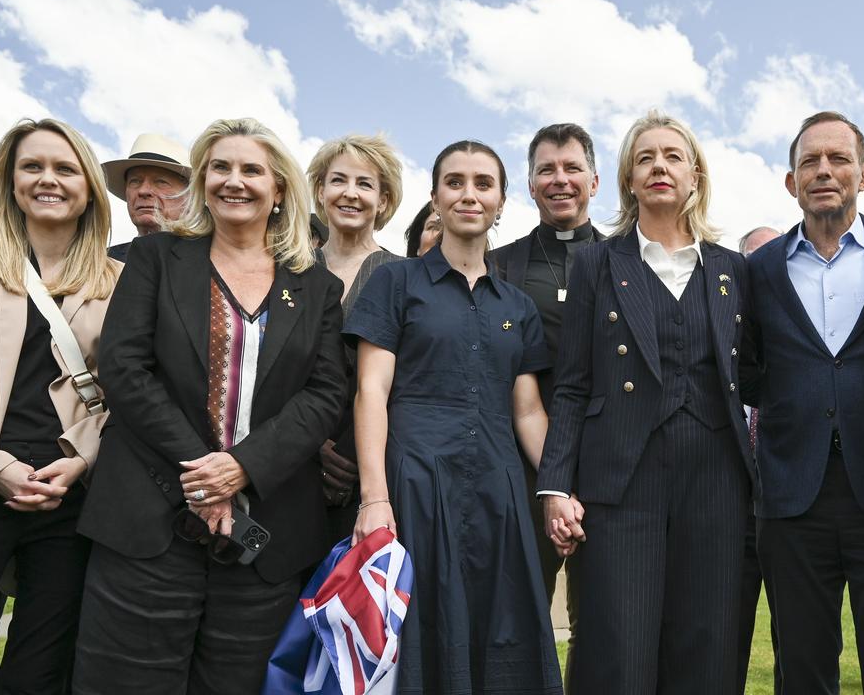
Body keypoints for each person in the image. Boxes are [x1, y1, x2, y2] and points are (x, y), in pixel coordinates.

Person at [72, 117, 348, 694]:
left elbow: (325, 393)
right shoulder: (155, 258)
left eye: (251, 169)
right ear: (202, 181)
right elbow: (124, 369)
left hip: (264, 537)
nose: (234, 180)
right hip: (149, 521)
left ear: (279, 190)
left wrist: (245, 466)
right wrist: (207, 473)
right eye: (220, 167)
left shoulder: (317, 286)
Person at [537, 111, 755, 695]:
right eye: (644, 158)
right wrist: (556, 482)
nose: (659, 166)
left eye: (673, 156)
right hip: (619, 479)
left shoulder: (733, 270)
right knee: (617, 645)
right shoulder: (597, 263)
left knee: (708, 642)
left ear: (696, 175)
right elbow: (573, 382)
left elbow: (754, 376)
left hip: (716, 479)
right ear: (629, 180)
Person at [348, 140, 563, 694]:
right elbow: (371, 391)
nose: (469, 194)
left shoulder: (517, 306)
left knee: (501, 643)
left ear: (501, 200)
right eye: (455, 182)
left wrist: (560, 487)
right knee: (415, 641)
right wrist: (376, 500)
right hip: (415, 485)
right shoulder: (394, 283)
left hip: (499, 491)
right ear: (435, 197)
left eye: (483, 184)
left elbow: (529, 411)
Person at [749, 112, 864, 695]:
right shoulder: (757, 271)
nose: (824, 171)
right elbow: (746, 370)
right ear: (790, 182)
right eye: (809, 162)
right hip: (792, 497)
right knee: (802, 666)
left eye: (838, 159)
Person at [0, 118, 120, 694]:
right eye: (32, 166)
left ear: (88, 185)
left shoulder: (121, 281)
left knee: (39, 666)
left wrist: (84, 461)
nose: (49, 180)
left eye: (65, 168)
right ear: (9, 180)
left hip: (67, 493)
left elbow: (127, 392)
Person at [491, 122, 606, 676]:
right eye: (546, 170)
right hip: (518, 471)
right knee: (515, 620)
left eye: (571, 168)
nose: (560, 180)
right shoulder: (499, 267)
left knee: (604, 624)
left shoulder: (625, 261)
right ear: (530, 185)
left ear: (595, 180)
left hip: (610, 469)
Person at [305, 134, 404, 543]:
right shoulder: (287, 270)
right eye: (338, 180)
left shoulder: (404, 276)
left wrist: (350, 457)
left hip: (374, 478)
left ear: (382, 201)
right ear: (321, 192)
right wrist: (310, 448)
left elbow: (403, 384)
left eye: (365, 184)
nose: (350, 193)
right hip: (287, 469)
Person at [734, 223, 777, 694]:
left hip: (789, 512)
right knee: (727, 635)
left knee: (797, 641)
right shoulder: (727, 354)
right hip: (732, 518)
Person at [101, 133, 191, 262]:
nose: (143, 191)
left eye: (160, 181)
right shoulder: (101, 263)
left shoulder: (211, 261)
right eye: (135, 181)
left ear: (189, 197)